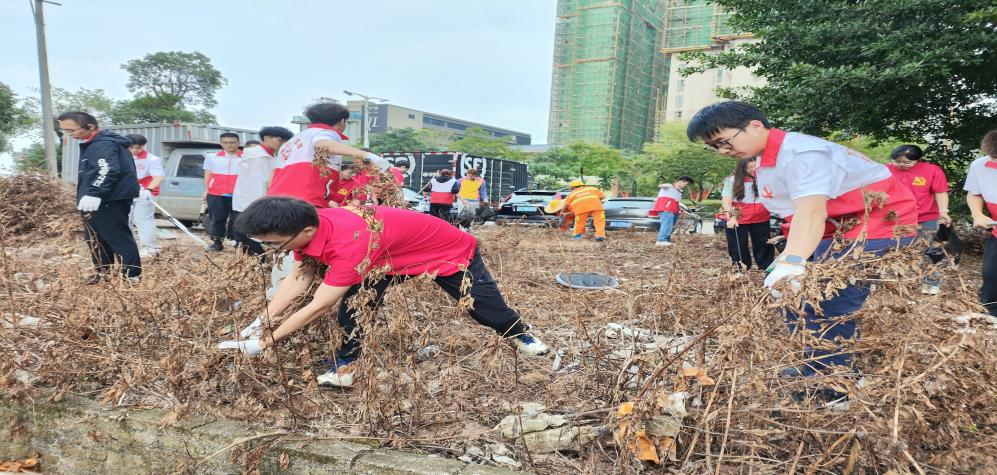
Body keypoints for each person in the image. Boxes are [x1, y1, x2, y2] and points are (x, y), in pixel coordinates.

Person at [687, 101, 917, 402]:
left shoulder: (802, 154)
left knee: (832, 300)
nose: (723, 151)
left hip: (876, 224)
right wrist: (786, 262)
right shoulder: (767, 161)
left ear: (755, 125)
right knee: (793, 294)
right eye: (714, 147)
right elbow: (797, 215)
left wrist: (793, 260)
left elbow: (811, 213)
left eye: (724, 142)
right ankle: (813, 363)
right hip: (833, 228)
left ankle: (833, 385)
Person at [217, 197, 549, 388]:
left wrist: (265, 343)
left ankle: (521, 334)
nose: (270, 249)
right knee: (355, 307)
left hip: (446, 251)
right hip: (383, 258)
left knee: (483, 309)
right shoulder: (308, 227)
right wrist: (262, 321)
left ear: (305, 231)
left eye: (273, 243)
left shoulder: (348, 243)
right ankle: (346, 364)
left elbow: (319, 305)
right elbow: (298, 279)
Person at [264, 102, 391, 298]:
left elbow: (274, 175)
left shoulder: (294, 141)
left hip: (279, 200)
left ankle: (280, 294)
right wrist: (366, 155)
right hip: (303, 203)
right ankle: (285, 296)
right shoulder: (325, 134)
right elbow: (323, 144)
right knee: (298, 251)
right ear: (342, 121)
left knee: (286, 248)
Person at [58, 112, 141, 283]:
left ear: (91, 127)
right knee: (95, 238)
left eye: (72, 130)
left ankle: (132, 277)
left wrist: (94, 193)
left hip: (109, 200)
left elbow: (107, 170)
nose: (69, 134)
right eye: (64, 131)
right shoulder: (95, 143)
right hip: (98, 201)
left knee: (117, 238)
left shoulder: (103, 144)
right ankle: (103, 274)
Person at [887, 145, 951, 295]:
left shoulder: (931, 170)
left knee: (927, 251)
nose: (901, 165)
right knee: (894, 250)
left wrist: (943, 212)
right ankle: (895, 282)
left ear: (918, 159)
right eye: (897, 161)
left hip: (925, 218)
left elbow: (941, 192)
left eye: (907, 162)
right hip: (896, 219)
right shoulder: (886, 170)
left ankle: (931, 283)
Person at [232, 126, 293, 256]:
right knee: (250, 237)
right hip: (252, 202)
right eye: (280, 140)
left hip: (259, 201)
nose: (283, 144)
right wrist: (264, 206)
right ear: (266, 138)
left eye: (285, 141)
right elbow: (258, 183)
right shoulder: (256, 156)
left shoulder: (271, 156)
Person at [964, 130, 997, 316]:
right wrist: (977, 214)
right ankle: (991, 317)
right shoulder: (979, 165)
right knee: (991, 276)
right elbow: (974, 194)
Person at [720, 160, 774, 270]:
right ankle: (740, 268)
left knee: (763, 243)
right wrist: (731, 218)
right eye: (749, 168)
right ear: (742, 168)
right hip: (738, 216)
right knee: (738, 245)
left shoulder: (764, 178)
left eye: (755, 166)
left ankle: (766, 268)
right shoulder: (732, 180)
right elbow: (726, 202)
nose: (753, 170)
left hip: (761, 216)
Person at [126, 134, 164, 258]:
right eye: (131, 147)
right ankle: (130, 247)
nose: (134, 150)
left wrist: (148, 189)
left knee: (142, 219)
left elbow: (158, 177)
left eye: (138, 148)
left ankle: (149, 248)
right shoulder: (123, 157)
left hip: (145, 193)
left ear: (143, 146)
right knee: (125, 220)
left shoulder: (152, 159)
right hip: (127, 193)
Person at [203, 132, 242, 252]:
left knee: (238, 219)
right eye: (225, 142)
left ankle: (238, 242)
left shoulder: (245, 157)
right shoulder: (212, 157)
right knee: (217, 219)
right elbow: (207, 175)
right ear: (221, 143)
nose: (229, 145)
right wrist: (206, 190)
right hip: (216, 193)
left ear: (238, 143)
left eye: (232, 142)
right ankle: (217, 242)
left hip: (239, 194)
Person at [650, 176, 693, 246]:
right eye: (686, 184)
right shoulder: (668, 186)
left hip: (673, 210)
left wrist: (683, 210)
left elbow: (676, 203)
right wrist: (672, 186)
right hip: (666, 209)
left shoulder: (679, 192)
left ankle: (666, 240)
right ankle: (661, 240)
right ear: (682, 181)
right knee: (667, 224)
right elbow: (660, 185)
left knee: (671, 226)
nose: (686, 186)